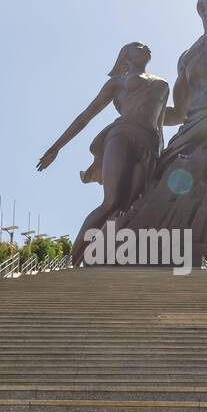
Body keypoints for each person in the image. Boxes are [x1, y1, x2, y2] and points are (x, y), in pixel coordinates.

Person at [37, 42, 169, 264]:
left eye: (145, 45)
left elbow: (161, 123)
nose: (145, 46)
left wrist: (159, 154)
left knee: (134, 204)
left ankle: (117, 257)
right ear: (126, 56)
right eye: (138, 46)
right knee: (112, 201)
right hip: (123, 135)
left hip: (150, 143)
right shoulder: (117, 82)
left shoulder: (163, 84)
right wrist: (56, 147)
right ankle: (75, 260)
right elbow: (86, 116)